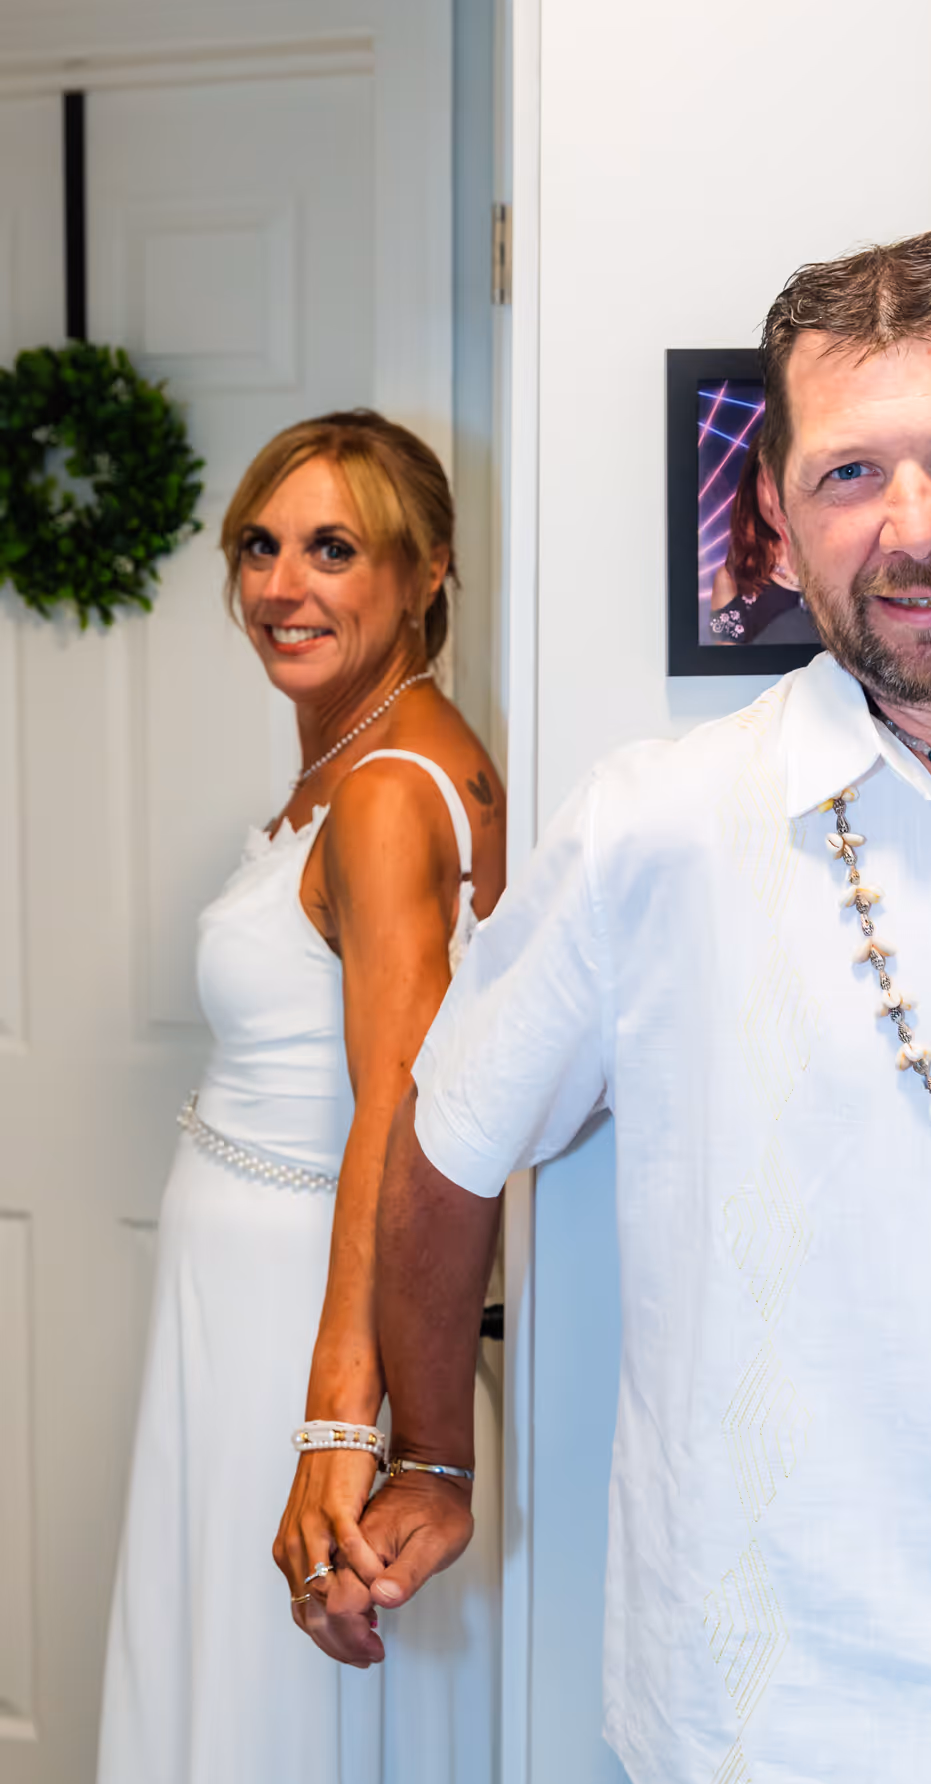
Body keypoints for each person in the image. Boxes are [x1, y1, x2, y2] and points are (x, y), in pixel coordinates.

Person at [313, 229, 931, 1779]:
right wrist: (432, 1452)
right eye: (851, 476)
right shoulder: (656, 829)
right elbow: (446, 1138)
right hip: (779, 1713)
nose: (916, 526)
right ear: (778, 520)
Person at [97, 411, 505, 1784]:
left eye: (334, 548)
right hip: (242, 1311)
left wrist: (339, 1428)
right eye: (262, 549)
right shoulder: (358, 761)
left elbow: (403, 1125)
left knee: (283, 1729)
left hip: (301, 1330)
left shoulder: (392, 791)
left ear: (427, 568)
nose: (284, 587)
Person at [708, 433, 805, 643]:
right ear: (753, 488)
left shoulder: (850, 571)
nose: (783, 502)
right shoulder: (731, 580)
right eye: (772, 483)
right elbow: (726, 670)